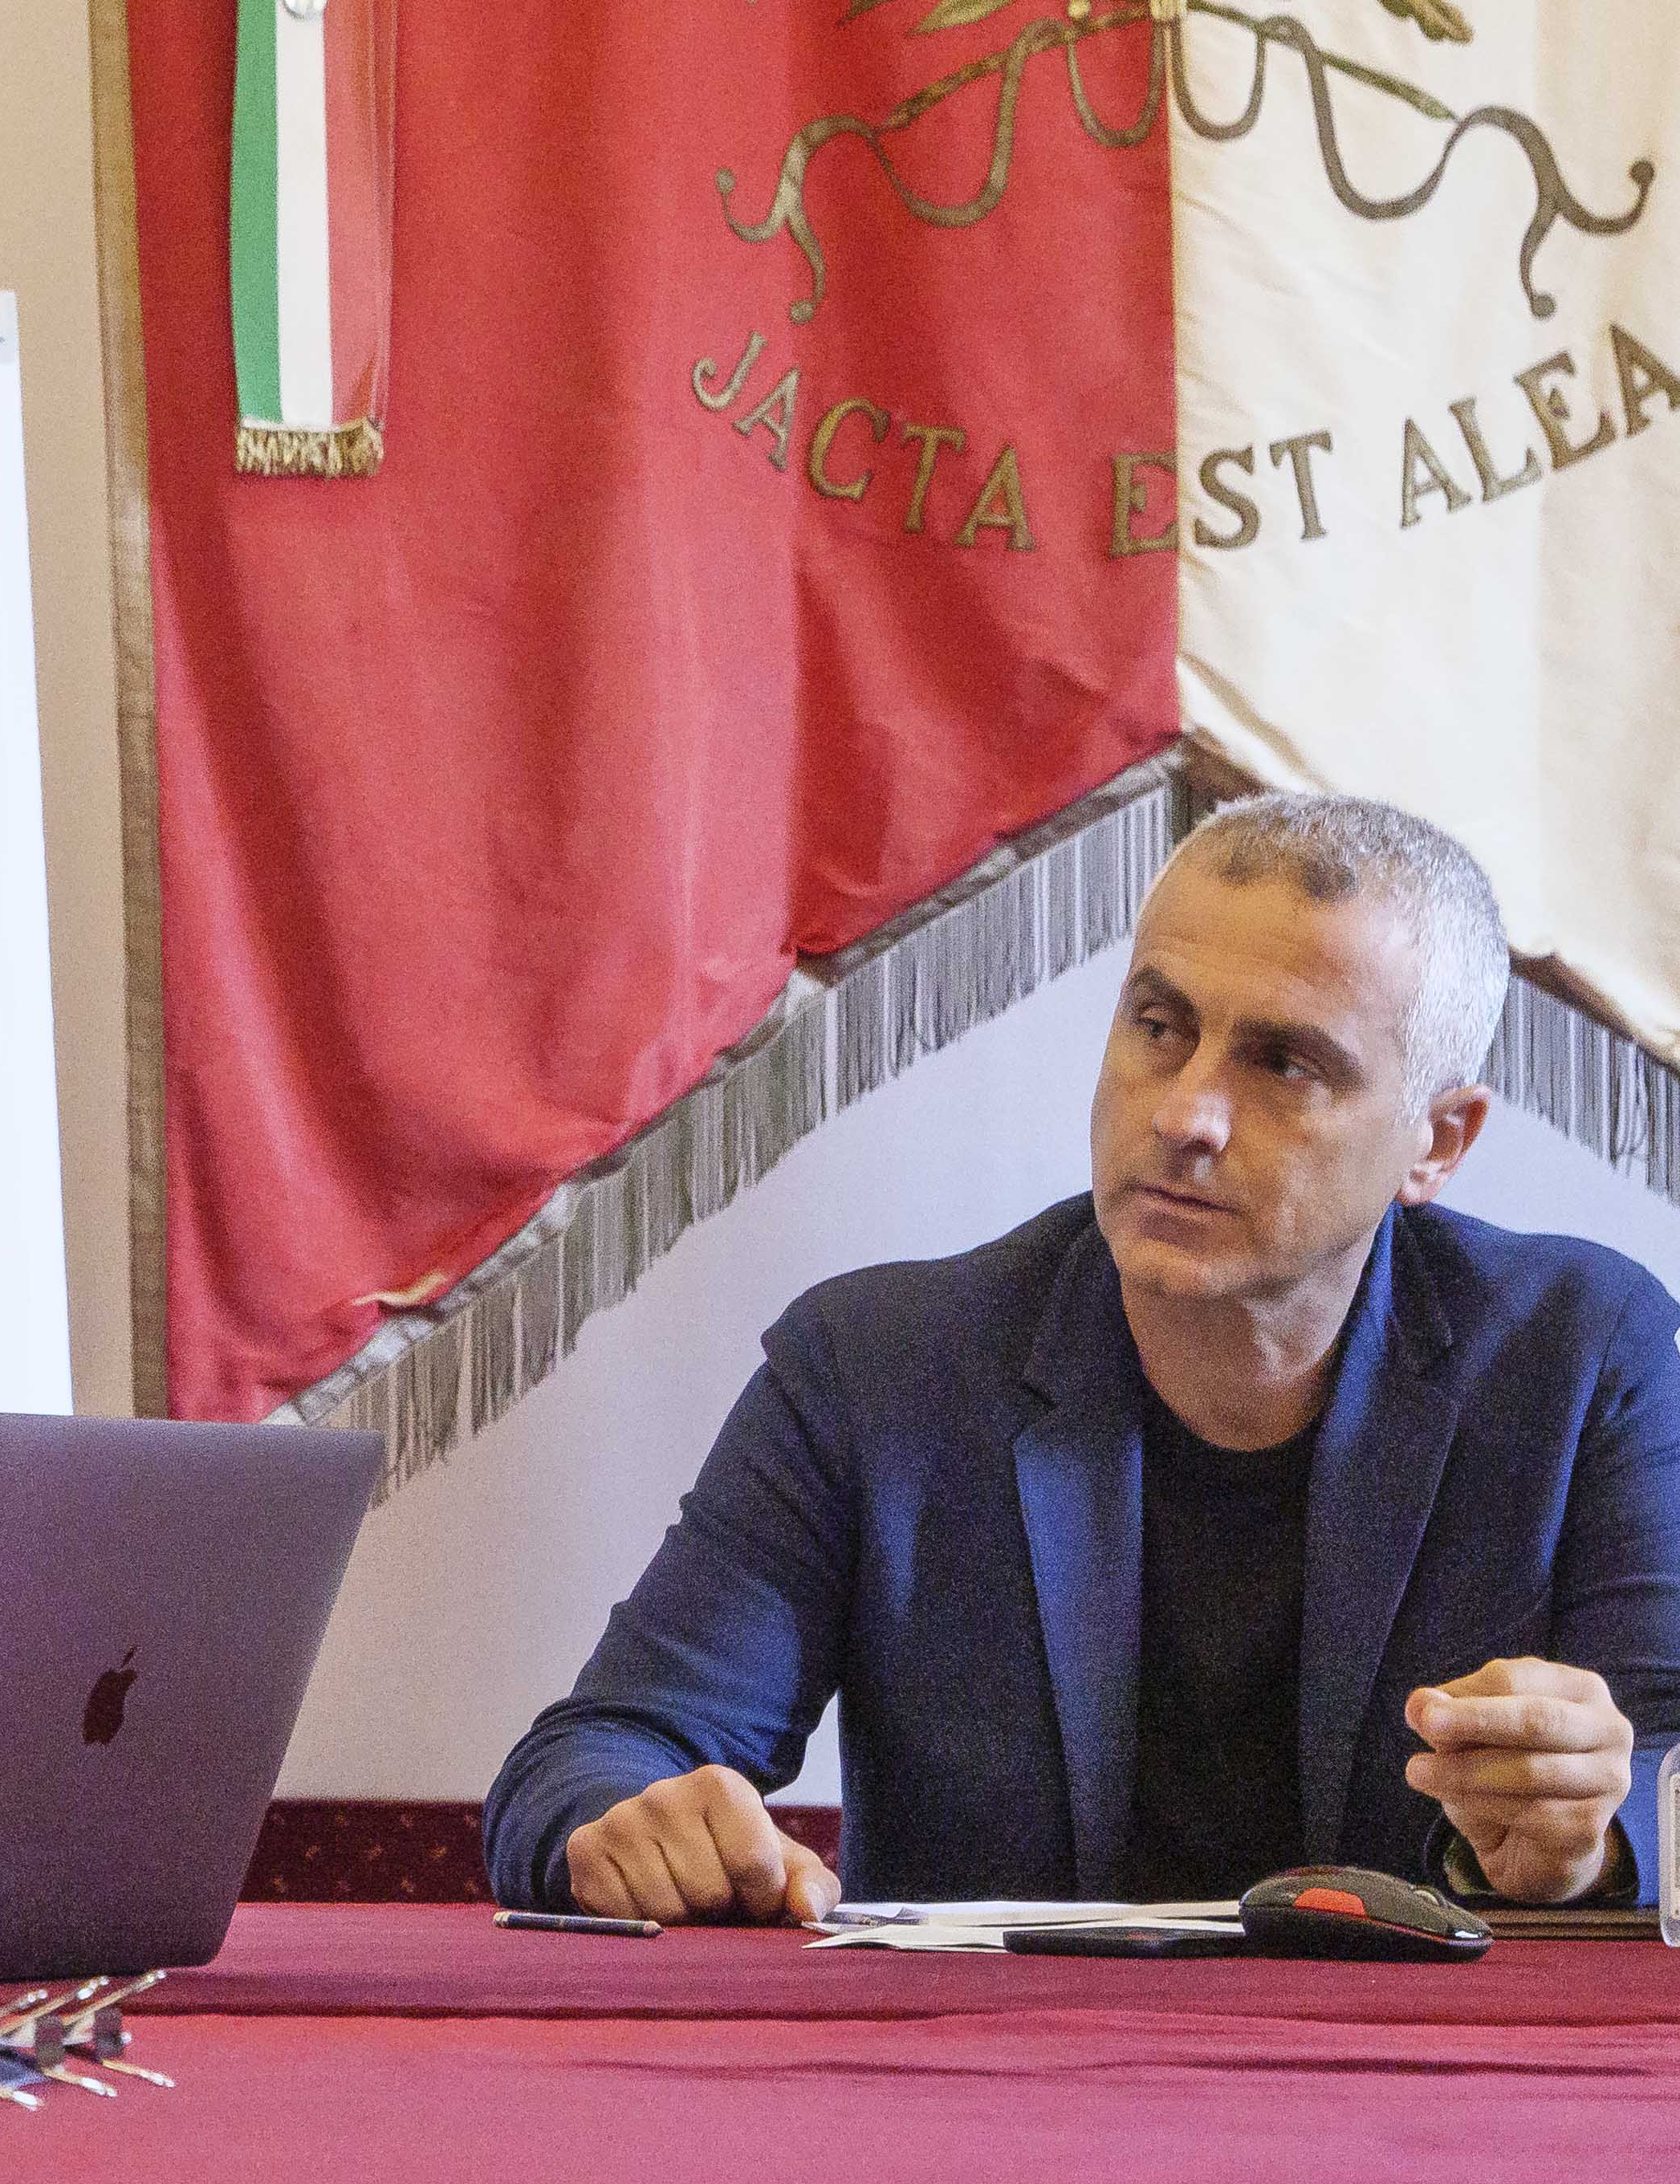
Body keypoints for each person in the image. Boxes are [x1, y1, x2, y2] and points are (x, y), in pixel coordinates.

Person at [484, 793, 1680, 1924]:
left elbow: (1662, 1767)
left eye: (1283, 1064)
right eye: (1159, 1027)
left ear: (1437, 1141)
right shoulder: (874, 1368)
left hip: (1414, 2063)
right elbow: (599, 1753)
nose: (1184, 1115)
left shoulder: (1582, 1356)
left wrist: (1600, 1835)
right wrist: (621, 1825)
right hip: (991, 2057)